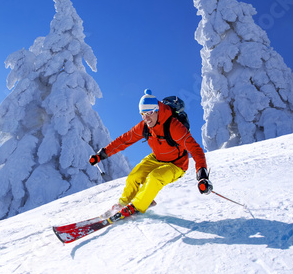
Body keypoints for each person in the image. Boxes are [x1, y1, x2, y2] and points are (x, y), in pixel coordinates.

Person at [89, 89, 213, 217]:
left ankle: (136, 206)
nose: (146, 118)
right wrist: (102, 154)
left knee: (154, 177)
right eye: (143, 114)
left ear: (158, 110)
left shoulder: (174, 126)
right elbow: (124, 140)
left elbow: (195, 149)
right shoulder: (144, 126)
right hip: (157, 158)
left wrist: (202, 174)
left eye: (150, 113)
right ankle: (123, 203)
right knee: (134, 176)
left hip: (176, 164)